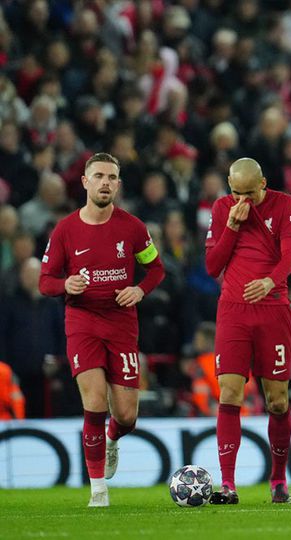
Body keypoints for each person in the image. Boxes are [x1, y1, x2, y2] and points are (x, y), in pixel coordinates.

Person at [38, 153, 165, 507]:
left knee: (126, 415)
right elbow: (45, 281)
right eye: (99, 176)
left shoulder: (133, 228)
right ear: (85, 182)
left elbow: (156, 269)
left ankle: (112, 439)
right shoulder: (65, 230)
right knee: (94, 402)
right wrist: (67, 285)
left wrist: (140, 289)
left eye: (111, 177)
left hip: (122, 323)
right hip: (82, 322)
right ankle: (98, 491)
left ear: (118, 184)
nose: (105, 182)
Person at [204, 157, 291, 504]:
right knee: (229, 394)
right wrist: (230, 226)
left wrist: (269, 281)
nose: (242, 201)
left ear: (263, 184)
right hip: (233, 311)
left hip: (273, 309)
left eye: (249, 193)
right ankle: (227, 483)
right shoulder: (222, 208)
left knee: (278, 401)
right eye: (235, 193)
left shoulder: (284, 204)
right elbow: (213, 265)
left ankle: (278, 479)